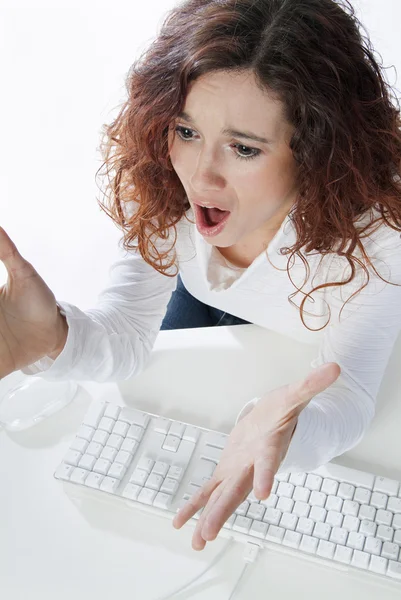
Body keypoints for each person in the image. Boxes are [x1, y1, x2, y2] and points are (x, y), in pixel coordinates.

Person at [1, 0, 401, 551]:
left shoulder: (380, 235)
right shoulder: (169, 184)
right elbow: (125, 332)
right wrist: (55, 340)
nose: (200, 174)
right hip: (202, 297)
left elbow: (351, 393)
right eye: (187, 132)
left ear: (316, 151)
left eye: (243, 148)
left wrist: (292, 434)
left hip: (314, 328)